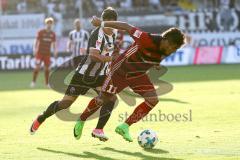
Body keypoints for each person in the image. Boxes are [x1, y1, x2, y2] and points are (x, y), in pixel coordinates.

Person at [74, 16, 185, 142]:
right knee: (102, 99)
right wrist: (102, 23)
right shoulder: (145, 38)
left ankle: (124, 126)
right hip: (120, 71)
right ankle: (82, 119)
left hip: (138, 75)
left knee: (152, 100)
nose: (172, 50)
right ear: (165, 40)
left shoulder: (166, 50)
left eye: (175, 49)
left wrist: (156, 64)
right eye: (172, 47)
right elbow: (126, 26)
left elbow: (153, 57)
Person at [29, 8, 118, 140]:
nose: (111, 26)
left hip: (101, 76)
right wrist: (114, 58)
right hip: (84, 75)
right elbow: (94, 56)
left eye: (113, 22)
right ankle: (41, 118)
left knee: (111, 99)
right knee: (65, 104)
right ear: (103, 22)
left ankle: (98, 129)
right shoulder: (96, 34)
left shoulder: (114, 33)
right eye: (108, 22)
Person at [30, 17, 57, 88]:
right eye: (48, 23)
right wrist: (34, 49)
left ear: (52, 24)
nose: (49, 25)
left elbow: (54, 44)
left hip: (47, 54)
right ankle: (33, 82)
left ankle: (47, 83)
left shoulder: (53, 34)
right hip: (39, 53)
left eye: (51, 23)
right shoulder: (41, 32)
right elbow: (36, 41)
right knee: (37, 68)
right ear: (46, 24)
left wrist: (55, 51)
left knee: (47, 69)